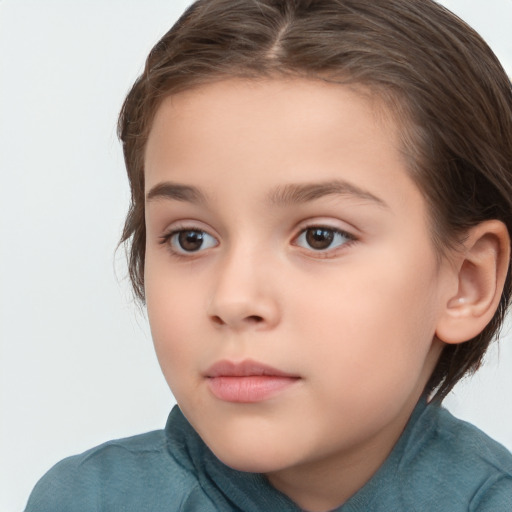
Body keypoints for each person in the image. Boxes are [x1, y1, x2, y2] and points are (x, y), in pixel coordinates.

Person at [24, 0, 512, 510]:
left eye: (320, 236)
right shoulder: (88, 500)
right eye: (191, 238)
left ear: (466, 282)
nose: (234, 299)